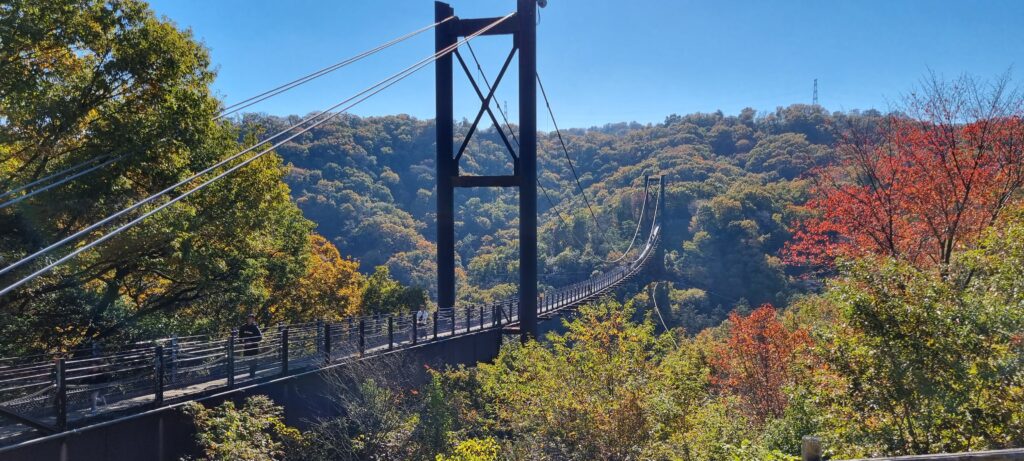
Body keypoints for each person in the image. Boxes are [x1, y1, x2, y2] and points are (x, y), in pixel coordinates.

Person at [238, 313, 262, 379]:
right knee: (247, 360)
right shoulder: (243, 327)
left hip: (254, 347)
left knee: (253, 361)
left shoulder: (255, 328)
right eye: (249, 318)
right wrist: (242, 342)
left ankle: (252, 375)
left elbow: (260, 337)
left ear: (253, 320)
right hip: (246, 347)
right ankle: (250, 374)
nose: (250, 320)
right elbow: (240, 337)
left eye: (251, 319)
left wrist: (252, 342)